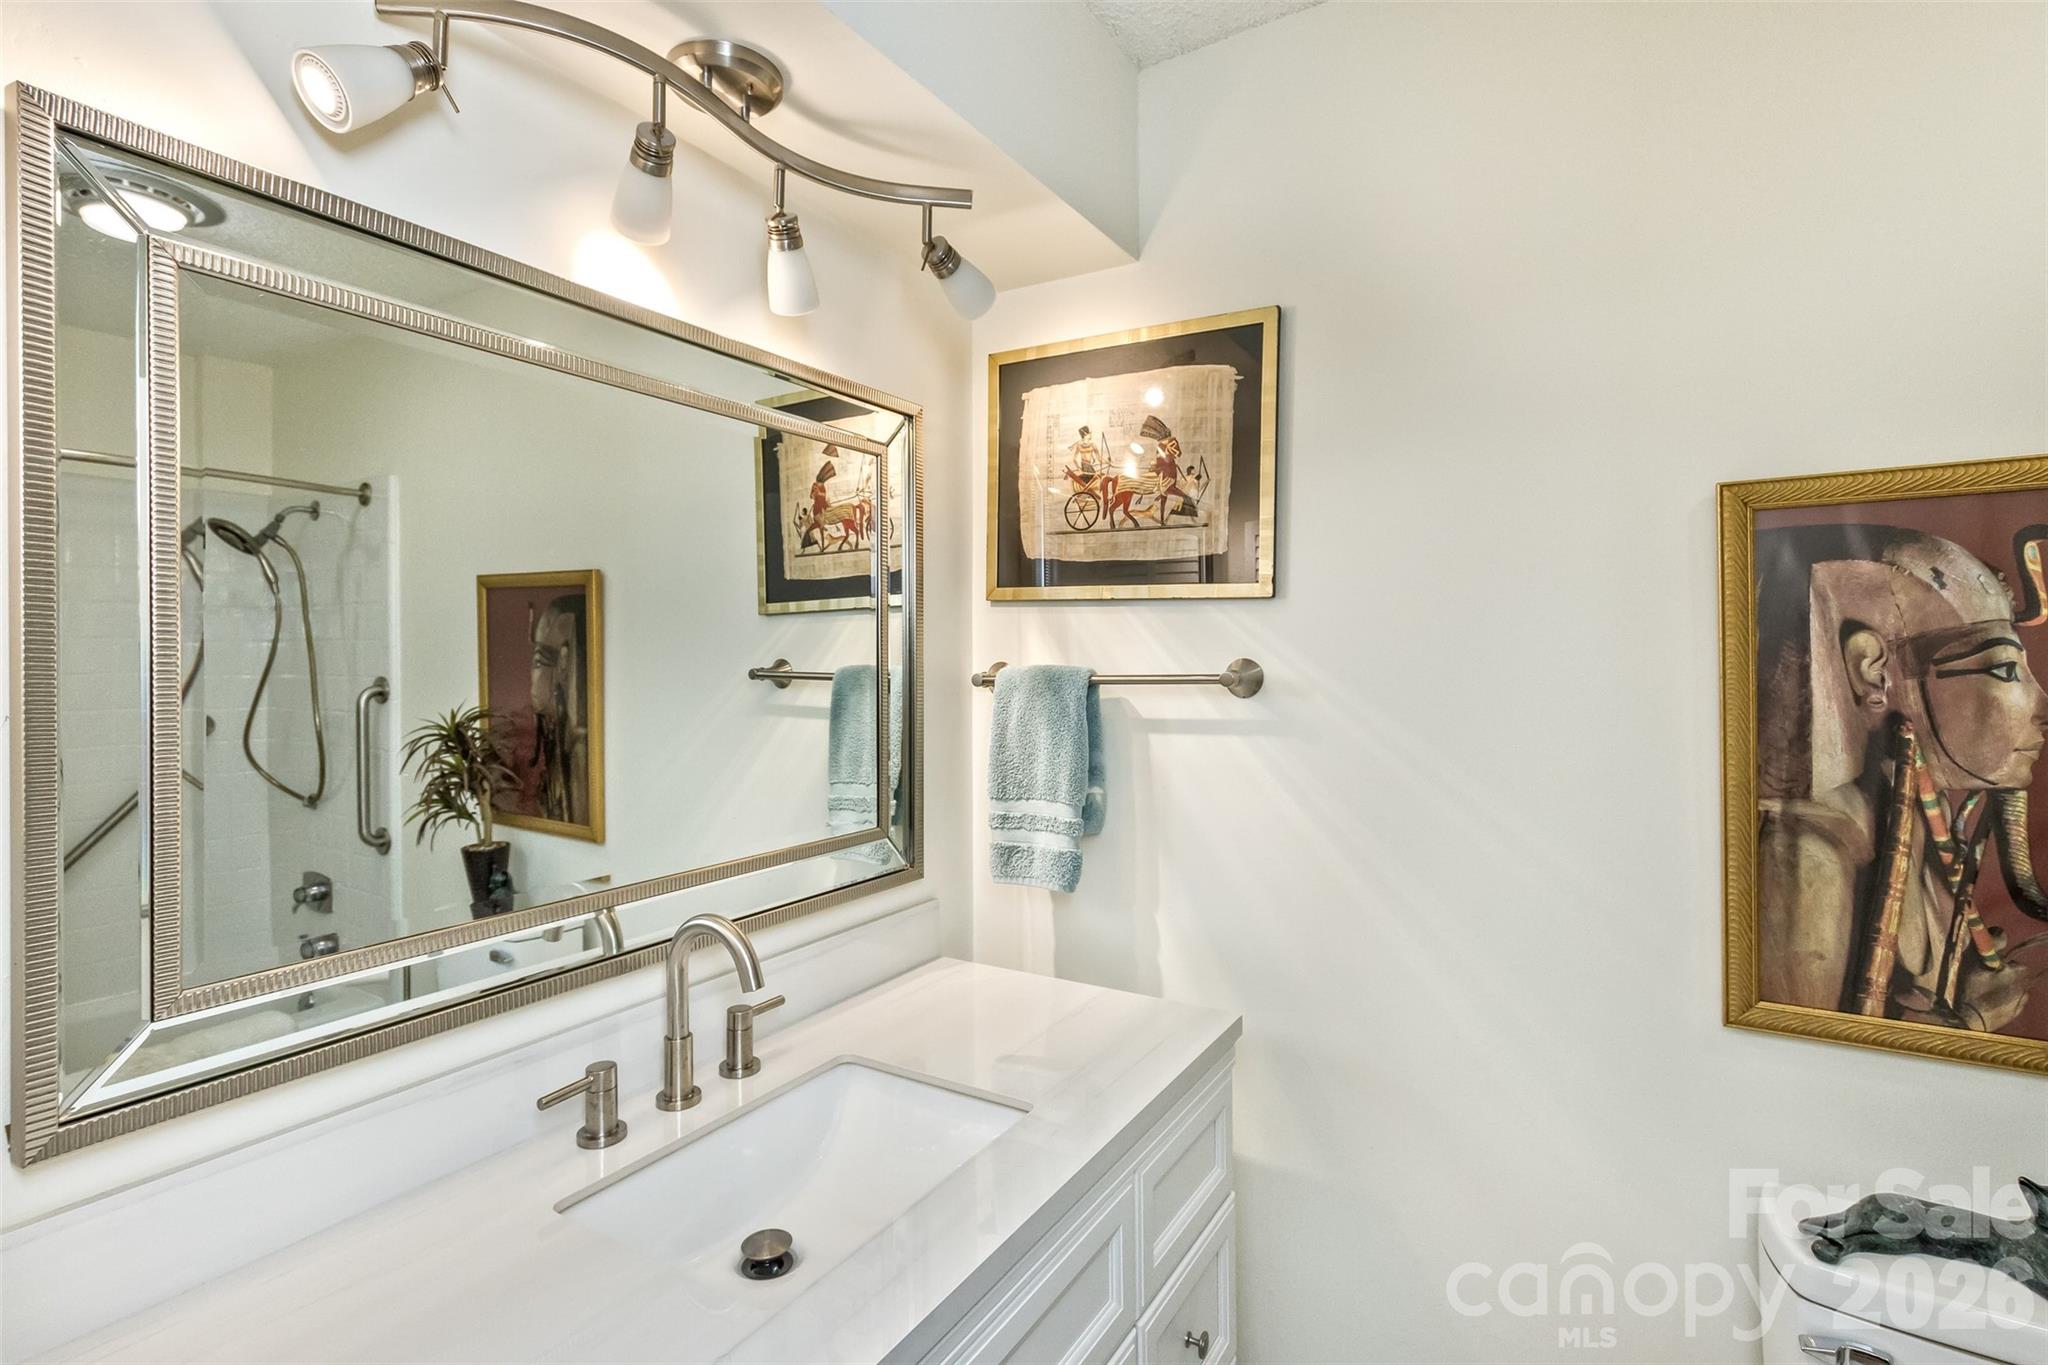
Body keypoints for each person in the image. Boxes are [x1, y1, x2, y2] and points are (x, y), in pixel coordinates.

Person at [1755, 524, 2048, 1031]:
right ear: (1871, 671)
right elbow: (1812, 1070)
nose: (2039, 706)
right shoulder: (1807, 861)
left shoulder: (1913, 818)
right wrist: (1972, 1019)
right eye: (2003, 670)